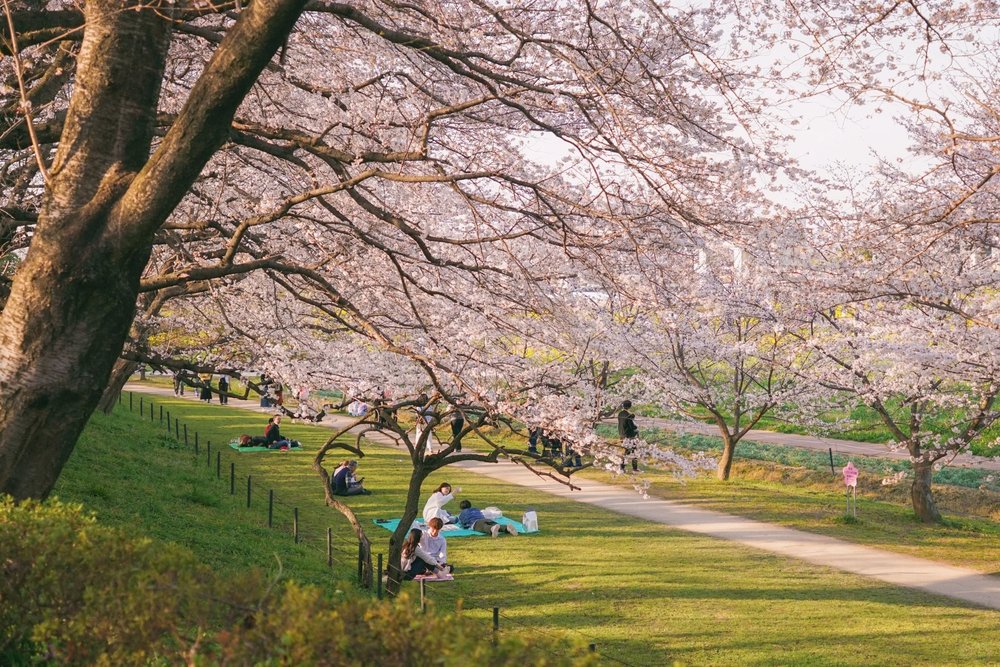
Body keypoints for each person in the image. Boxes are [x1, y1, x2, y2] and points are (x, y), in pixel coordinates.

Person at [618, 399, 639, 472]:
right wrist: (636, 428)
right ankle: (634, 468)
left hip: (622, 434)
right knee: (634, 451)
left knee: (626, 451)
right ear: (630, 406)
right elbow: (632, 427)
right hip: (629, 436)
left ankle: (622, 467)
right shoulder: (628, 415)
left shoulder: (620, 414)